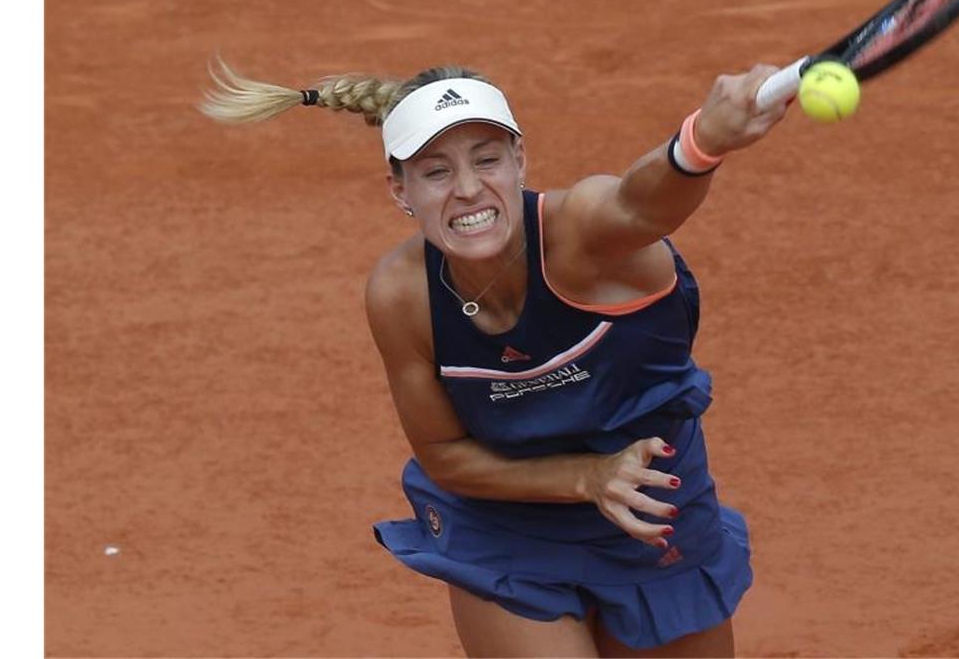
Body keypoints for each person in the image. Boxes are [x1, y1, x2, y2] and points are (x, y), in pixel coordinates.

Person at [200, 58, 788, 657]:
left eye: (487, 159)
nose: (467, 189)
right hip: (511, 521)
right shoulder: (403, 295)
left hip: (650, 504)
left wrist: (703, 141)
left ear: (519, 162)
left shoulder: (579, 232)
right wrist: (586, 477)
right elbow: (446, 457)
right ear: (399, 189)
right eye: (435, 171)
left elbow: (642, 205)